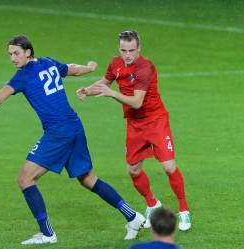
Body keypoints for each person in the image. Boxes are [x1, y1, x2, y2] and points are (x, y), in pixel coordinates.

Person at [0, 35, 146, 243]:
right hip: (75, 126)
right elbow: (71, 68)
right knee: (88, 179)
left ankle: (47, 234)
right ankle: (133, 217)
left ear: (28, 52)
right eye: (10, 54)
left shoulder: (23, 76)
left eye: (16, 53)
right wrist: (89, 68)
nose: (13, 58)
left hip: (59, 133)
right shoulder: (48, 62)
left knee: (25, 179)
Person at [77, 30, 191, 231]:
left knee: (168, 167)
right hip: (134, 124)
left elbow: (137, 102)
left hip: (156, 121)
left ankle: (183, 210)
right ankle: (152, 204)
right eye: (123, 50)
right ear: (118, 49)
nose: (127, 54)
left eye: (131, 50)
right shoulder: (115, 63)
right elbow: (105, 82)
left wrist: (111, 93)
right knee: (133, 169)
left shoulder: (145, 68)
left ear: (139, 48)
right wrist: (88, 89)